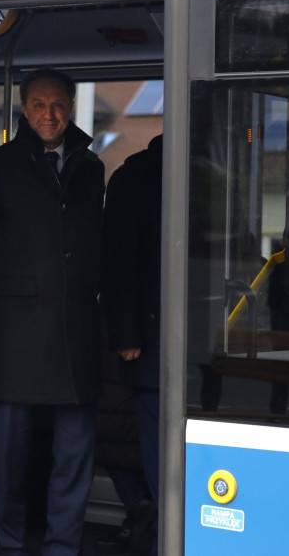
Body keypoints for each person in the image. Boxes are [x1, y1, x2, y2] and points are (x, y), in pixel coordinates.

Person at [0, 68, 105, 555]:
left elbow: (95, 243)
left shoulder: (91, 167)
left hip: (75, 326)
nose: (48, 115)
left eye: (57, 105)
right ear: (23, 107)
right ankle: (9, 543)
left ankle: (62, 547)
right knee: (8, 454)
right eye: (38, 105)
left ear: (71, 107)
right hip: (15, 330)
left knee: (75, 453)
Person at [100, 133, 162, 547]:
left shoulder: (134, 176)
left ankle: (156, 525)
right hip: (148, 341)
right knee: (150, 440)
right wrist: (125, 332)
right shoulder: (137, 177)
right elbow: (116, 259)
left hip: (155, 337)